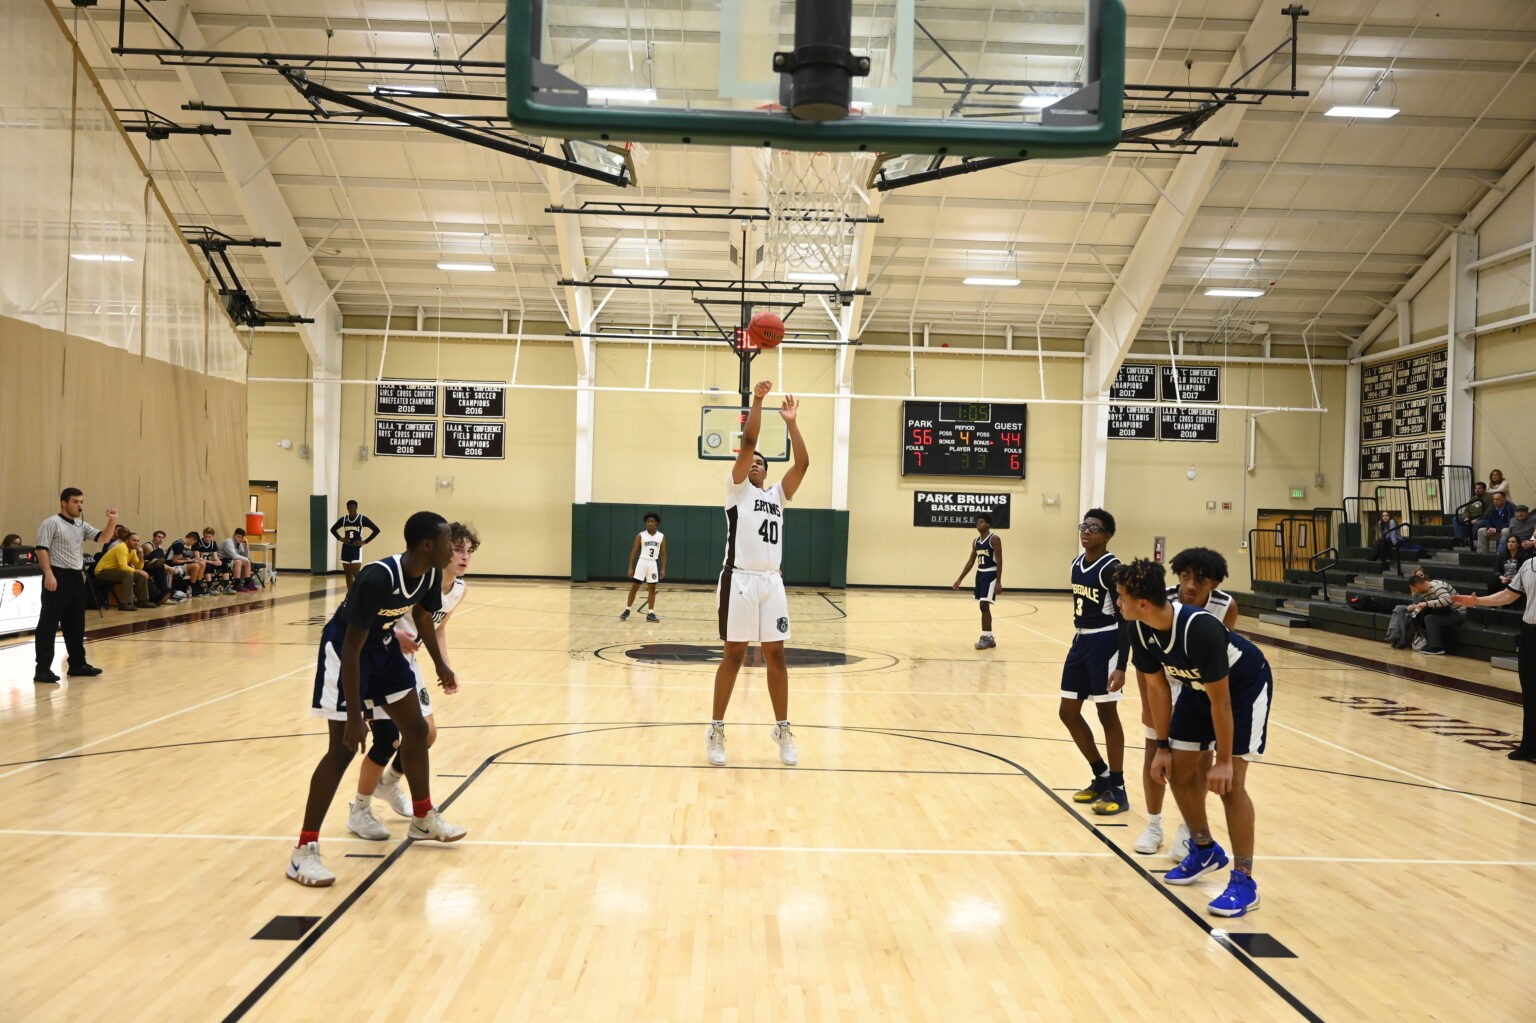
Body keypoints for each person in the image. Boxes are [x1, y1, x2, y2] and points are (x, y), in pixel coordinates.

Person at [288, 511, 466, 887]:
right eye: (449, 541)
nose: (454, 548)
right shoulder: (377, 576)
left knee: (416, 730)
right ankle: (303, 853)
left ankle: (422, 819)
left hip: (383, 647)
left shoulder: (430, 573)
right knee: (342, 750)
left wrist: (441, 664)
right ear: (427, 544)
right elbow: (352, 646)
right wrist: (356, 716)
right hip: (345, 652)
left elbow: (420, 616)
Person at [1115, 557, 1273, 918]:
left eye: (1121, 596)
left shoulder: (1199, 628)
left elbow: (1221, 702)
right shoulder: (1138, 627)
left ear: (1142, 602)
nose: (1118, 602)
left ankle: (1244, 881)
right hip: (1196, 688)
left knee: (1230, 786)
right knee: (1178, 772)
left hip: (1242, 689)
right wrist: (1162, 746)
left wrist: (1222, 762)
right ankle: (1203, 848)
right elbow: (1156, 688)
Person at [347, 522, 479, 840]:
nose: (463, 556)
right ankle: (359, 808)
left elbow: (438, 628)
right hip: (375, 655)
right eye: (457, 548)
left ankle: (389, 783)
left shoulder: (458, 589)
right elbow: (367, 614)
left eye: (468, 551)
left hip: (408, 662)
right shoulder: (414, 577)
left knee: (425, 734)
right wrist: (392, 631)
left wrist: (444, 666)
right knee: (388, 738)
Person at [706, 381, 809, 768]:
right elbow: (748, 441)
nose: (754, 464)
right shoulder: (737, 492)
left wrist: (792, 424)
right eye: (750, 461)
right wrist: (760, 401)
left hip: (772, 582)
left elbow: (802, 465)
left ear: (767, 471)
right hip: (739, 580)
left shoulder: (777, 496)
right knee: (733, 654)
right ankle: (715, 728)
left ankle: (782, 729)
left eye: (761, 463)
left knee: (777, 656)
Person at [1136, 547, 1243, 860]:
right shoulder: (1162, 600)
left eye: (1200, 579)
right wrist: (1146, 702)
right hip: (1164, 681)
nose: (1190, 585)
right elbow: (1146, 661)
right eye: (1185, 577)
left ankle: (1188, 826)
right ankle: (1153, 824)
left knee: (1199, 761)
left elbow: (1221, 659)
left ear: (1215, 584)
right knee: (1154, 750)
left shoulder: (1227, 607)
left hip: (1200, 686)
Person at [1058, 509, 1127, 816]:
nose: (1086, 531)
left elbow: (1126, 618)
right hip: (1081, 639)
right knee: (1068, 712)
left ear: (1107, 535)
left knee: (1106, 712)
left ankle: (1118, 786)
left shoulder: (1112, 568)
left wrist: (1122, 665)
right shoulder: (1076, 563)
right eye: (1083, 526)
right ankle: (1100, 775)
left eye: (1094, 528)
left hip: (1106, 640)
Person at [1452, 560, 1536, 761]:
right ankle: (1530, 745)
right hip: (1531, 634)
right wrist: (1477, 601)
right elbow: (1508, 595)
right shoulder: (1529, 564)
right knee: (1531, 691)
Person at [33, 488, 119, 683]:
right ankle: (43, 669)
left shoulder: (81, 525)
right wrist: (49, 574)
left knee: (76, 623)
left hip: (75, 576)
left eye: (81, 502)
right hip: (57, 574)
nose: (79, 505)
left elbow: (103, 539)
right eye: (75, 501)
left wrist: (112, 520)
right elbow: (41, 550)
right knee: (48, 623)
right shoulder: (51, 523)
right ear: (64, 502)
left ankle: (78, 664)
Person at [952, 514, 1003, 649]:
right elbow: (971, 561)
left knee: (984, 605)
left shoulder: (995, 539)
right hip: (980, 574)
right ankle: (988, 637)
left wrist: (998, 581)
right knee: (982, 606)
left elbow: (999, 560)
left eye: (981, 522)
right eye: (977, 522)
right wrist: (960, 579)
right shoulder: (976, 541)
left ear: (988, 524)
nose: (978, 524)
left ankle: (987, 637)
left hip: (991, 574)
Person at [1404, 568, 1466, 655]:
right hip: (1446, 611)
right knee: (1418, 617)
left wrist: (1425, 604)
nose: (1416, 591)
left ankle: (1436, 648)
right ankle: (1431, 645)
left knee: (1430, 619)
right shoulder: (1427, 590)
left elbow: (1447, 600)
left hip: (1457, 614)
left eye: (1415, 589)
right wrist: (1414, 612)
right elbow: (1428, 605)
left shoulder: (1437, 587)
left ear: (1418, 586)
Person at [619, 513, 667, 623]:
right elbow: (634, 552)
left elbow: (664, 553)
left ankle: (650, 613)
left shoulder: (661, 536)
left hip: (653, 564)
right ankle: (627, 610)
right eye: (648, 521)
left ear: (656, 523)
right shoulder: (640, 535)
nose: (650, 523)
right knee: (635, 587)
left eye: (652, 521)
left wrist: (663, 568)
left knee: (652, 589)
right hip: (642, 562)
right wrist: (630, 567)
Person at [93, 532, 151, 611]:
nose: (136, 543)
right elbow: (123, 567)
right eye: (134, 540)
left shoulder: (133, 550)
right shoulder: (122, 548)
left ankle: (142, 601)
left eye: (138, 541)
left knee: (141, 575)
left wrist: (141, 554)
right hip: (102, 571)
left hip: (116, 571)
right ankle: (125, 603)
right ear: (127, 540)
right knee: (128, 574)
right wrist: (139, 571)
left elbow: (139, 567)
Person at [330, 500, 381, 589]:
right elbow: (333, 529)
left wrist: (365, 541)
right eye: (349, 508)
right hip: (346, 548)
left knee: (356, 572)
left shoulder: (362, 519)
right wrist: (340, 538)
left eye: (353, 508)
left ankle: (360, 593)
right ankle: (350, 595)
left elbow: (376, 530)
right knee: (347, 573)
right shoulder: (344, 519)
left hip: (356, 548)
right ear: (347, 509)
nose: (351, 510)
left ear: (356, 508)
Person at [140, 531, 178, 605]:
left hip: (153, 567)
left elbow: (159, 563)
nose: (161, 539)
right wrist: (170, 568)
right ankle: (164, 594)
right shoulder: (148, 545)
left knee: (161, 568)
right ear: (154, 537)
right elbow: (151, 562)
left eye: (163, 538)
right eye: (159, 537)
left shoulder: (159, 547)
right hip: (144, 566)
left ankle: (163, 595)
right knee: (160, 554)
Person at [166, 531, 208, 597]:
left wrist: (187, 560)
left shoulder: (179, 542)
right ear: (192, 539)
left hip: (172, 562)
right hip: (170, 565)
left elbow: (176, 558)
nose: (192, 544)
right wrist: (189, 561)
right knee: (195, 566)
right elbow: (174, 561)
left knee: (201, 563)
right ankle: (193, 588)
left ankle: (198, 585)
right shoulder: (180, 544)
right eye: (194, 542)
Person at [1489, 536, 1527, 603]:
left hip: (1517, 580)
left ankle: (1507, 606)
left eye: (1513, 542)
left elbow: (1524, 572)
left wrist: (1515, 579)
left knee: (1507, 585)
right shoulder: (1502, 555)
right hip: (1504, 578)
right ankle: (1492, 604)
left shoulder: (1524, 556)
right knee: (1492, 582)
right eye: (1508, 542)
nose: (1510, 544)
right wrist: (1502, 577)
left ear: (1518, 544)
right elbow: (1496, 569)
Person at [218, 527, 257, 592]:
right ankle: (237, 584)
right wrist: (247, 559)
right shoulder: (228, 542)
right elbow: (234, 555)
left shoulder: (239, 543)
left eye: (242, 537)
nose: (240, 539)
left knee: (247, 562)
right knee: (238, 561)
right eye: (238, 537)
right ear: (234, 535)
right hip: (221, 560)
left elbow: (246, 556)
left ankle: (247, 583)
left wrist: (246, 545)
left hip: (230, 560)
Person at [196, 528, 234, 594]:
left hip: (210, 562)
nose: (207, 538)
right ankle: (209, 586)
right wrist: (211, 562)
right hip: (201, 564)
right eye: (205, 536)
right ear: (203, 535)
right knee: (206, 564)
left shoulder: (213, 543)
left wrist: (218, 561)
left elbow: (215, 557)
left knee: (224, 563)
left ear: (212, 536)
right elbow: (197, 558)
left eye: (209, 537)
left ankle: (225, 586)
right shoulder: (198, 543)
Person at [1455, 482, 1489, 548]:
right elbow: (1466, 510)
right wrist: (1466, 517)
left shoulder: (1489, 498)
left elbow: (1488, 512)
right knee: (1456, 519)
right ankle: (1461, 539)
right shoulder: (1473, 498)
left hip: (1482, 518)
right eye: (1476, 488)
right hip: (1471, 517)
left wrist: (1477, 519)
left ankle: (1470, 539)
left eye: (1479, 488)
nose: (1477, 490)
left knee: (1479, 523)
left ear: (1484, 489)